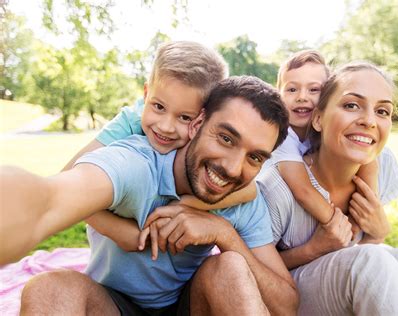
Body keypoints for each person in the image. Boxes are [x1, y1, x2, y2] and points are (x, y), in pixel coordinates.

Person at [1, 76, 299, 315]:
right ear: (196, 124)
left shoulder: (244, 200)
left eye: (255, 157)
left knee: (231, 267)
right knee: (48, 289)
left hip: (187, 304)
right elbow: (50, 199)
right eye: (225, 138)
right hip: (112, 303)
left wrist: (225, 235)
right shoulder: (138, 164)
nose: (234, 169)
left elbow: (286, 305)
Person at [257, 61, 398, 315]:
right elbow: (253, 269)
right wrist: (314, 249)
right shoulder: (279, 185)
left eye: (382, 111)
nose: (369, 121)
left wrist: (377, 233)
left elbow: (366, 246)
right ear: (318, 119)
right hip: (290, 295)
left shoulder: (383, 167)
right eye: (351, 105)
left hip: (349, 282)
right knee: (371, 259)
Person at [60, 40, 256, 257]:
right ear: (146, 94)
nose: (165, 127)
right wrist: (116, 230)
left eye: (184, 117)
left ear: (204, 118)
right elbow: (65, 184)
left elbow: (249, 190)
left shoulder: (205, 138)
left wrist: (185, 206)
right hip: (113, 254)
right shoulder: (131, 121)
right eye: (158, 106)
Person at [271, 50, 378, 240]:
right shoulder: (282, 135)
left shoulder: (328, 128)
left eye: (314, 90)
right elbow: (303, 190)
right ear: (278, 95)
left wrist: (367, 211)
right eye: (291, 89)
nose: (302, 97)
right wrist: (339, 226)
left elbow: (368, 160)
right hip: (277, 215)